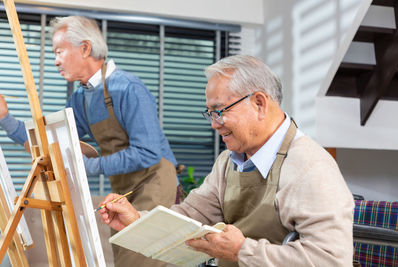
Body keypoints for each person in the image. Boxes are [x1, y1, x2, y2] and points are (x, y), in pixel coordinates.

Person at [98, 55, 355, 267]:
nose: (213, 124)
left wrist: (243, 251)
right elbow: (190, 216)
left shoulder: (310, 167)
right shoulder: (228, 161)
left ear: (259, 103)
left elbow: (331, 261)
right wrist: (136, 219)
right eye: (210, 113)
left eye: (219, 111)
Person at [0, 16, 178, 267]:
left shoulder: (128, 88)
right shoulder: (82, 97)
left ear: (84, 48)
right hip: (124, 190)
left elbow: (147, 153)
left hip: (154, 184)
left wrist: (88, 166)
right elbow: (49, 144)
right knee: (125, 259)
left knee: (141, 261)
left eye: (59, 51)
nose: (55, 60)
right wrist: (5, 118)